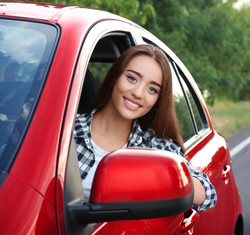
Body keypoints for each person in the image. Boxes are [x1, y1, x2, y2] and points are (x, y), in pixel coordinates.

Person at [73, 45, 216, 212]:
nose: (139, 93)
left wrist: (160, 176)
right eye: (132, 78)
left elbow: (209, 194)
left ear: (157, 100)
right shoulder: (65, 130)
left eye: (152, 89)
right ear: (115, 76)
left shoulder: (154, 147)